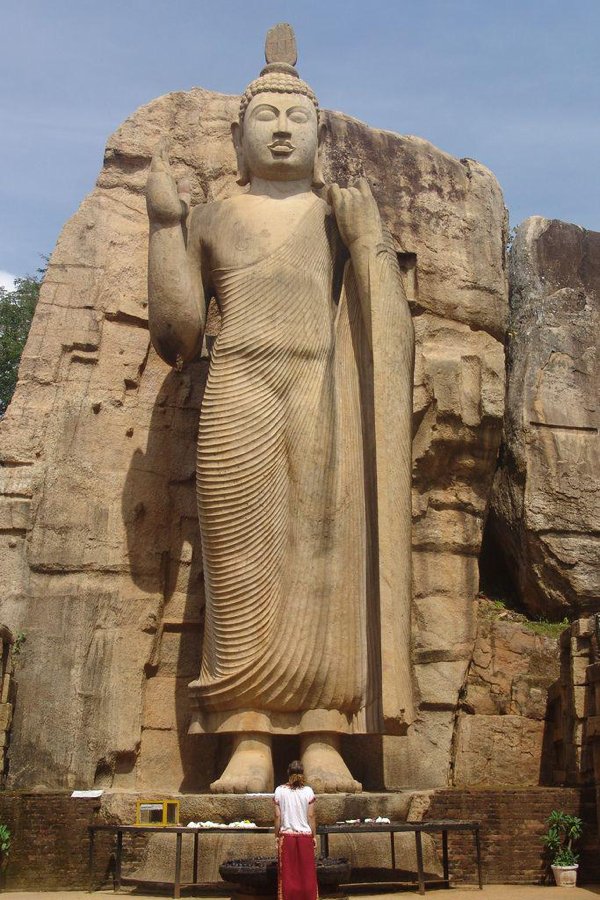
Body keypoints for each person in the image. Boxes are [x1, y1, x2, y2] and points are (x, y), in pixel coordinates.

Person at [146, 23, 414, 793]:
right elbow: (180, 334)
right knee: (237, 566)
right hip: (239, 386)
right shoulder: (214, 215)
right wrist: (167, 227)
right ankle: (248, 739)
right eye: (267, 117)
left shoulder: (339, 214)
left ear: (321, 133)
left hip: (320, 392)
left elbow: (381, 323)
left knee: (323, 559)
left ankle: (324, 735)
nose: (284, 128)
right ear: (239, 134)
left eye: (298, 117)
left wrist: (367, 244)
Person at [274, 760, 318, 900]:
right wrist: (314, 836)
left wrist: (276, 836)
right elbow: (311, 815)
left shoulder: (279, 790)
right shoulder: (308, 791)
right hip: (305, 835)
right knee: (307, 873)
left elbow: (277, 816)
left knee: (288, 873)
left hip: (286, 836)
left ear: (288, 773)